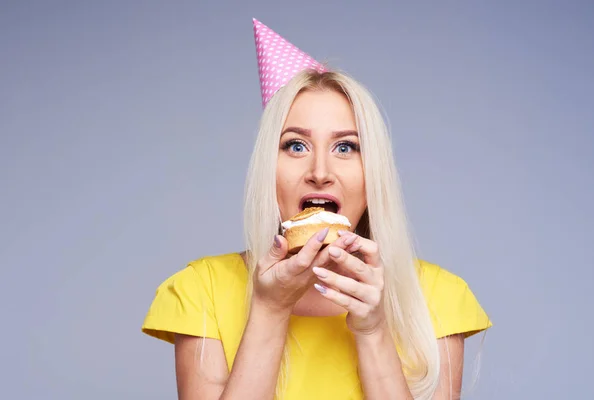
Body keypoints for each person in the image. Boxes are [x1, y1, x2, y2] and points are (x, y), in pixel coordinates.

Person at [141, 18, 492, 400]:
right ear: (266, 169)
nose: (320, 173)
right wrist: (269, 310)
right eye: (295, 146)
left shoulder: (438, 298)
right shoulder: (200, 290)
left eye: (346, 147)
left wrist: (373, 329)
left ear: (373, 172)